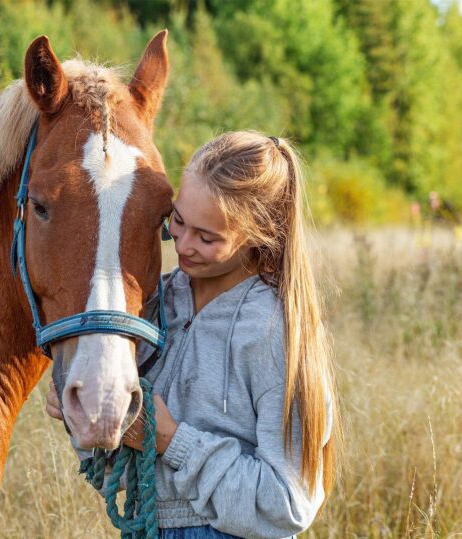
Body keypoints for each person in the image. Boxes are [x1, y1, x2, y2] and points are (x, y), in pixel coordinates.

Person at [46, 131, 338, 539]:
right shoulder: (154, 306)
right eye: (177, 221)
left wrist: (171, 440)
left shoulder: (273, 332)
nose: (182, 245)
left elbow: (287, 504)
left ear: (258, 235)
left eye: (206, 237)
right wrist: (90, 418)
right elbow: (122, 475)